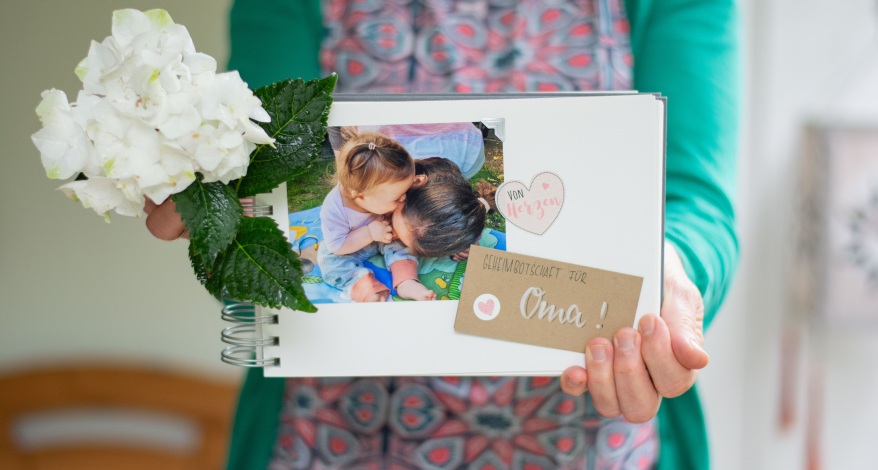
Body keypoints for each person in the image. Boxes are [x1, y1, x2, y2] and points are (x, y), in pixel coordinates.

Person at [145, 0, 740, 468]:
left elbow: (693, 199)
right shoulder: (365, 201)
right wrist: (222, 217)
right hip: (325, 437)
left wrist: (673, 267)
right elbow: (264, 184)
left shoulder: (446, 179)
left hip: (587, 435)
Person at [317, 130, 435, 302]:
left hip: (384, 236)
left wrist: (392, 228)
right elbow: (337, 245)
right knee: (329, 262)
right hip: (348, 246)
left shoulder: (381, 192)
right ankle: (367, 289)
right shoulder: (334, 208)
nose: (404, 198)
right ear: (360, 195)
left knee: (404, 243)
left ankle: (407, 281)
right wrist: (370, 233)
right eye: (397, 197)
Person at [392, 157, 496, 259]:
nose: (390, 236)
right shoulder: (383, 172)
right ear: (414, 182)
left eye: (398, 238)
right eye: (390, 219)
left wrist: (460, 242)